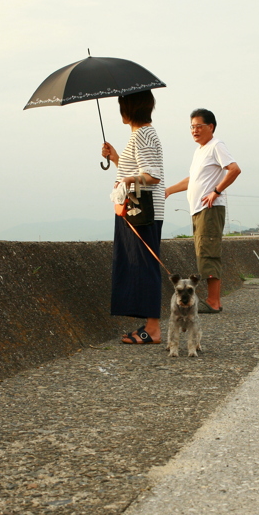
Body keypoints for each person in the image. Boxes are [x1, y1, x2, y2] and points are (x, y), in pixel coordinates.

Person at [101, 90, 165, 344]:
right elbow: (139, 170)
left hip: (142, 212)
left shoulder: (144, 134)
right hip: (135, 210)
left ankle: (153, 329)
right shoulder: (139, 135)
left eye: (122, 105)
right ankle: (149, 325)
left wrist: (127, 179)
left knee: (144, 266)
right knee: (138, 265)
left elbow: (152, 176)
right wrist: (116, 158)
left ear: (129, 108)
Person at [165, 108, 241, 313]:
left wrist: (215, 191)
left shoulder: (217, 145)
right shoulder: (200, 151)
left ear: (211, 127)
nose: (194, 130)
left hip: (210, 208)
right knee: (202, 254)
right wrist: (169, 190)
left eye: (199, 126)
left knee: (209, 253)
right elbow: (193, 180)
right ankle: (212, 300)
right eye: (192, 127)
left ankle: (214, 302)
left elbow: (234, 169)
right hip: (199, 210)